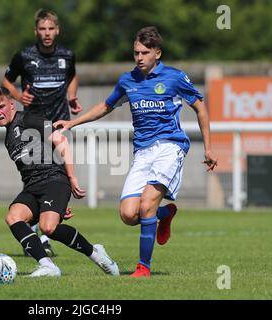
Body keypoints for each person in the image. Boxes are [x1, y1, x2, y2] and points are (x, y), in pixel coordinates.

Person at [54, 26, 218, 277]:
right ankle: (166, 214)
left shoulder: (174, 78)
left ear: (157, 53)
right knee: (129, 214)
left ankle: (144, 267)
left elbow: (200, 108)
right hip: (142, 152)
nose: (139, 57)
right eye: (135, 53)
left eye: (144, 52)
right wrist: (72, 123)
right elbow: (105, 106)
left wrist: (208, 147)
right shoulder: (127, 80)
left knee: (147, 204)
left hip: (170, 147)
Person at [0, 84, 119, 277]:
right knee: (13, 217)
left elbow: (60, 141)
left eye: (1, 107)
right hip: (32, 187)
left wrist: (71, 178)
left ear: (11, 104)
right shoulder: (8, 137)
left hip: (54, 180)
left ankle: (95, 253)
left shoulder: (29, 119)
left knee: (49, 227)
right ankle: (48, 266)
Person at [1, 8, 83, 256]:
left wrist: (72, 96)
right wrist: (17, 95)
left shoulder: (67, 55)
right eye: (42, 29)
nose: (47, 34)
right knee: (38, 172)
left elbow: (72, 76)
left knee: (54, 171)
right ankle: (45, 228)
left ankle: (56, 208)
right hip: (32, 125)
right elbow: (6, 81)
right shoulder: (24, 56)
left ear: (57, 30)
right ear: (36, 31)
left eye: (51, 29)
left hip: (58, 120)